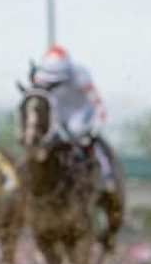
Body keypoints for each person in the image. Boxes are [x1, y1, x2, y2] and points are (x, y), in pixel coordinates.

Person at [30, 45, 115, 191]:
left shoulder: (80, 73)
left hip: (79, 110)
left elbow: (94, 97)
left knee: (77, 131)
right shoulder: (40, 75)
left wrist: (100, 114)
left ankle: (104, 172)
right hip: (57, 111)